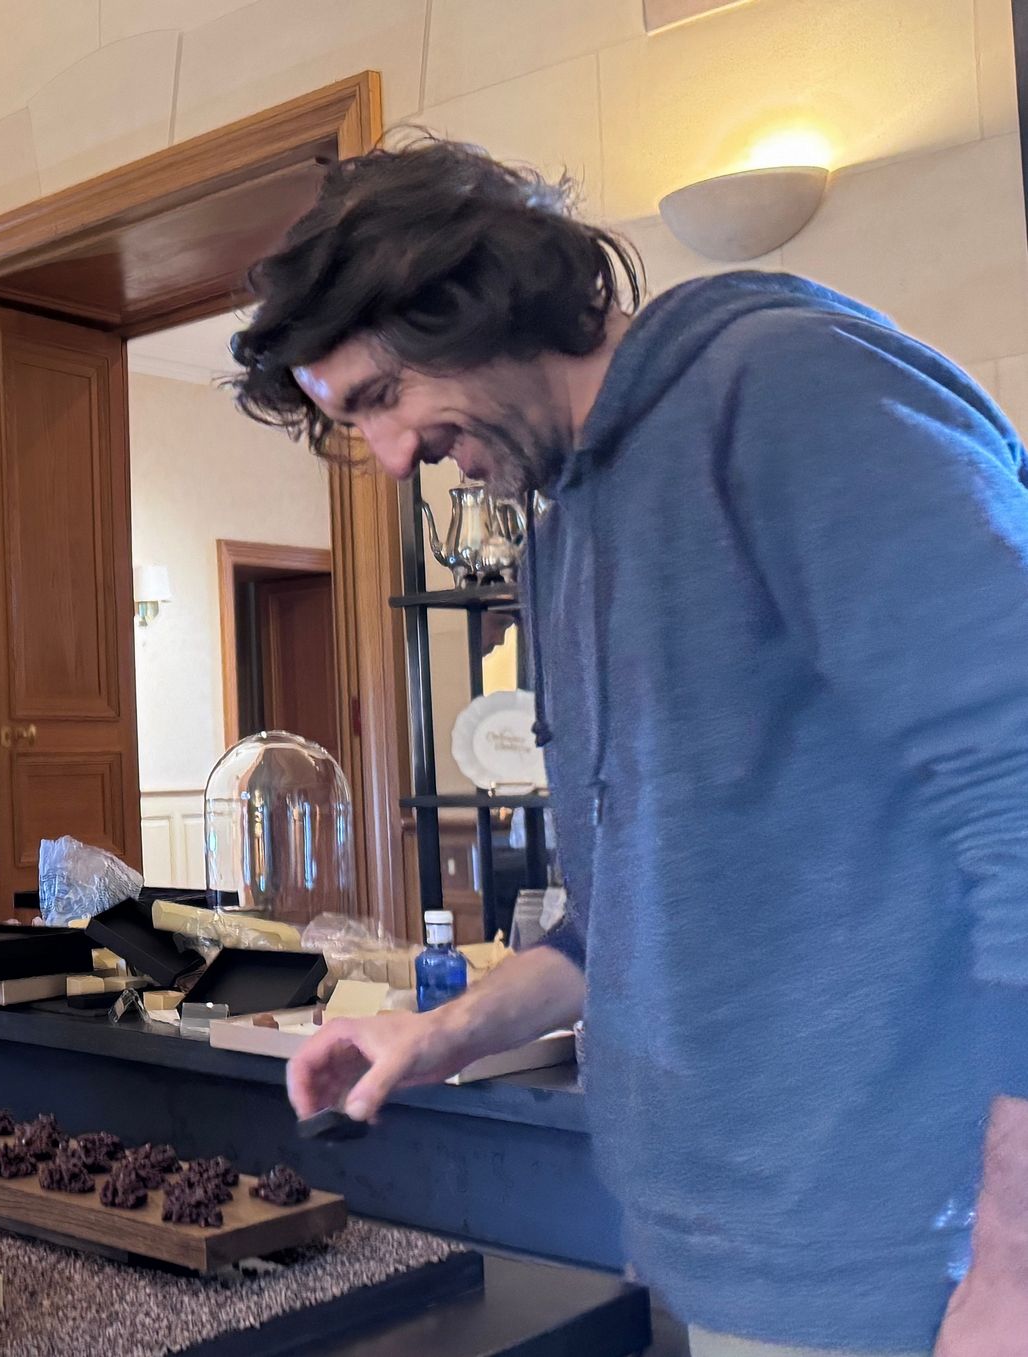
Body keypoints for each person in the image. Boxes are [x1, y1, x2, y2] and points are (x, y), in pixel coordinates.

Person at [229, 139, 1026, 1356]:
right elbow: (621, 922)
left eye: (383, 397)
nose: (393, 458)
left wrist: (1015, 1260)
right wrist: (438, 1036)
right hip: (729, 1259)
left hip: (909, 1263)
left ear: (473, 298)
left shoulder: (786, 389)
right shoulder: (567, 523)